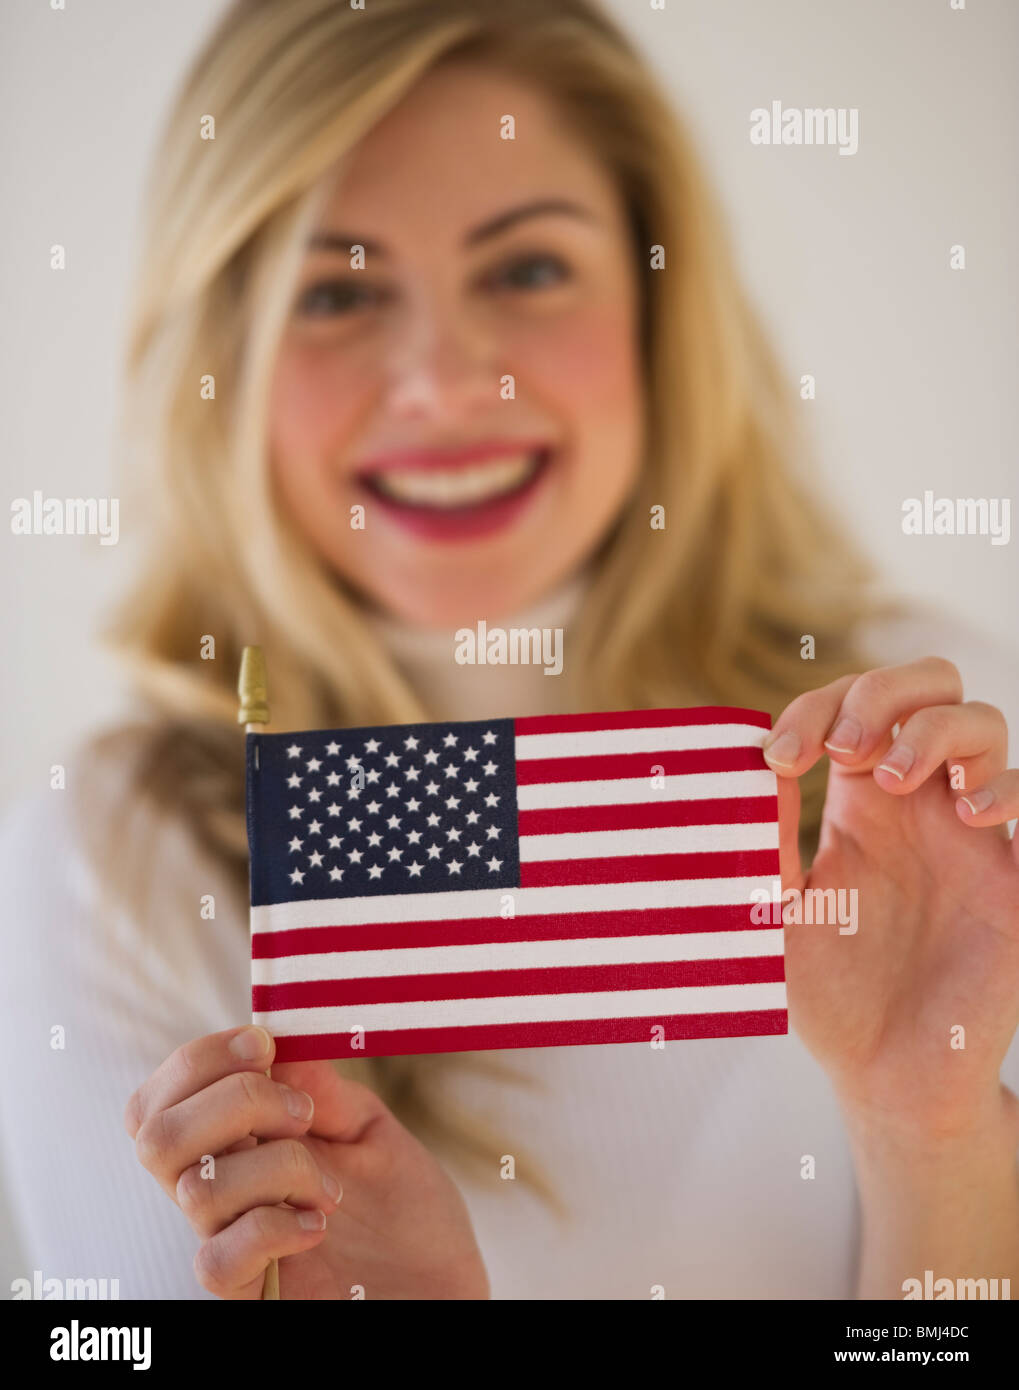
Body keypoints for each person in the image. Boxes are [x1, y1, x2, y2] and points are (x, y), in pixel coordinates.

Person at [1, 0, 1017, 1301]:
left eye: (525, 270)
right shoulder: (114, 869)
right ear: (225, 358)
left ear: (659, 313)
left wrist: (925, 1140)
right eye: (338, 290)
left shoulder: (938, 766)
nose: (441, 380)